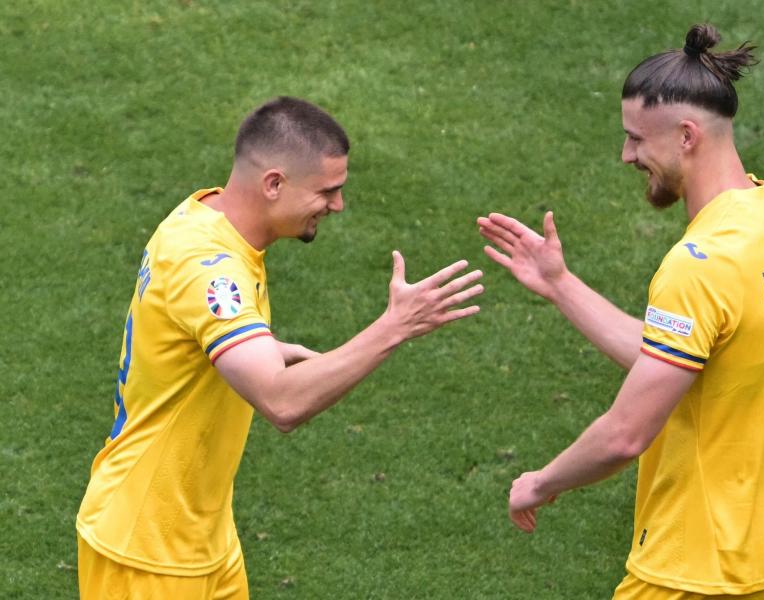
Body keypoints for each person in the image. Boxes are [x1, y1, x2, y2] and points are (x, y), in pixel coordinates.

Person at [76, 96, 484, 599]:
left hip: (203, 539)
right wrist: (395, 326)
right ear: (274, 184)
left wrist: (264, 347)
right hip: (146, 551)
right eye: (328, 191)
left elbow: (191, 329)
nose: (337, 205)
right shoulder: (209, 267)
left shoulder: (206, 217)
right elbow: (282, 402)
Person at [478, 24, 764, 599]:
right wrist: (561, 286)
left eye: (636, 139)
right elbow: (677, 358)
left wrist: (539, 482)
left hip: (700, 570)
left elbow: (625, 434)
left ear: (686, 136)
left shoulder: (699, 263)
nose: (627, 154)